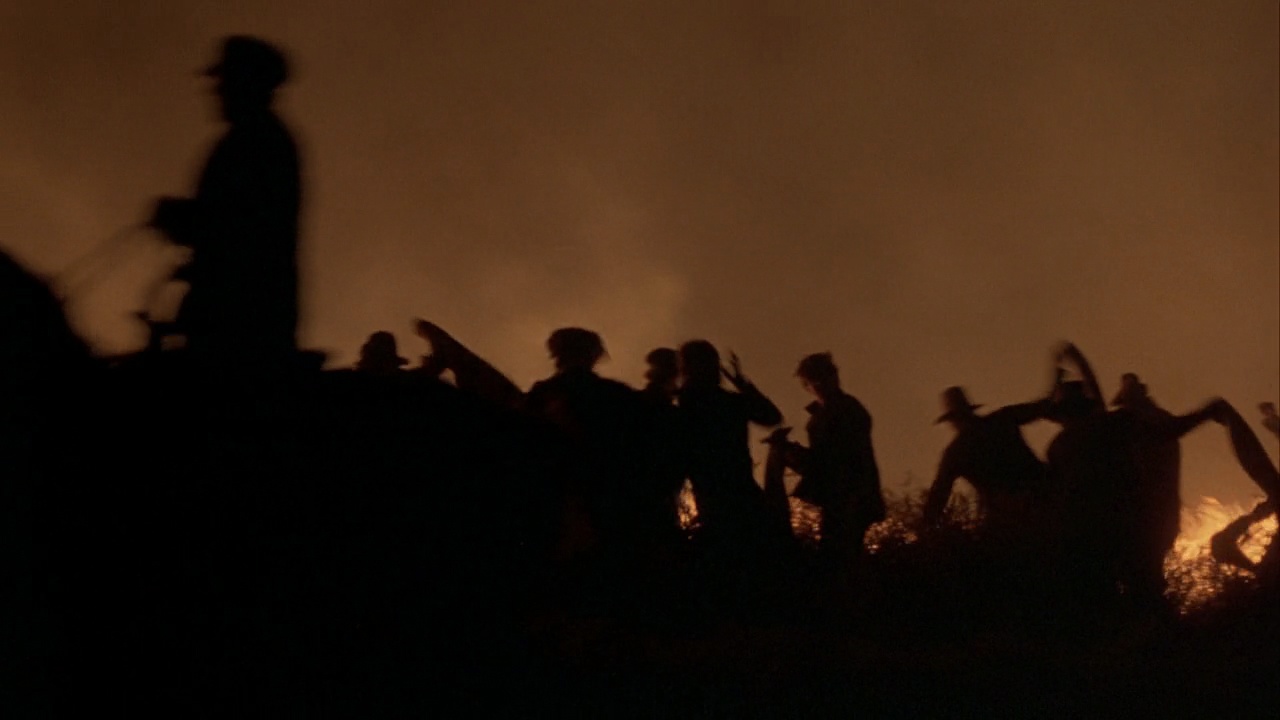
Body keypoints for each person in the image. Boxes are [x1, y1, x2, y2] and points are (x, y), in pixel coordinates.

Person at [148, 36, 302, 368]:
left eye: (224, 82)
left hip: (240, 321)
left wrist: (180, 219)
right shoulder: (262, 140)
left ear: (245, 85)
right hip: (244, 316)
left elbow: (239, 228)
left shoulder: (255, 144)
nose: (216, 91)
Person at [780, 353, 885, 572]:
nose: (819, 384)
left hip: (847, 499)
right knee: (841, 561)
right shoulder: (839, 410)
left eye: (822, 378)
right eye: (814, 380)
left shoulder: (843, 412)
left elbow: (831, 461)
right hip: (844, 499)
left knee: (837, 562)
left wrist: (792, 454)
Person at [922, 386, 1050, 537]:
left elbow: (938, 496)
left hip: (1006, 518)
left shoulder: (956, 452)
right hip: (1046, 496)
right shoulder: (1003, 418)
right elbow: (1042, 407)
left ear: (952, 421)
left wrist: (925, 529)